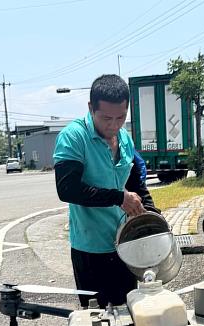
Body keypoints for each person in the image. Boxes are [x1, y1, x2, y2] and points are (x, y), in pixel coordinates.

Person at [53, 74, 158, 308]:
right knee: (97, 325)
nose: (114, 125)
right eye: (106, 118)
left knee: (130, 316)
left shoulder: (125, 139)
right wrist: (118, 198)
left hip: (125, 245)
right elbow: (67, 190)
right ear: (91, 108)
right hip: (90, 250)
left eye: (121, 117)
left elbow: (135, 186)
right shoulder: (73, 137)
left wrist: (153, 215)